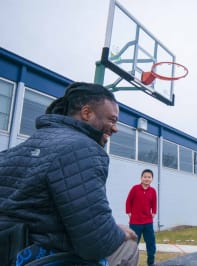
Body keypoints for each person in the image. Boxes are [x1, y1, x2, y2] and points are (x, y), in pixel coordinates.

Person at [0, 82, 139, 265]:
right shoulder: (83, 148)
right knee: (128, 247)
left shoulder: (15, 150)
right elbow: (96, 242)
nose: (115, 128)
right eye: (112, 120)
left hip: (11, 253)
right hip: (43, 258)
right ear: (87, 113)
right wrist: (119, 232)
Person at [126, 169, 157, 266]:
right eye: (145, 176)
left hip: (148, 222)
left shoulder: (153, 191)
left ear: (152, 179)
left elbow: (154, 203)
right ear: (141, 177)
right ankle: (130, 263)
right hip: (135, 222)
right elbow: (128, 201)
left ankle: (151, 262)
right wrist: (129, 212)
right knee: (133, 244)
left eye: (149, 177)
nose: (147, 179)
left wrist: (154, 212)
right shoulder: (135, 188)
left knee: (151, 243)